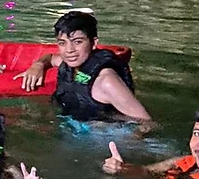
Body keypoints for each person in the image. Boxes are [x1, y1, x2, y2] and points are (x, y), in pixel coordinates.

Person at [16, 10, 151, 122]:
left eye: (78, 42)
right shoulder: (69, 64)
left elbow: (147, 123)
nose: (69, 50)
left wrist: (125, 148)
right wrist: (38, 65)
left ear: (93, 42)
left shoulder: (107, 81)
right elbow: (51, 58)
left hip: (106, 138)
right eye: (62, 43)